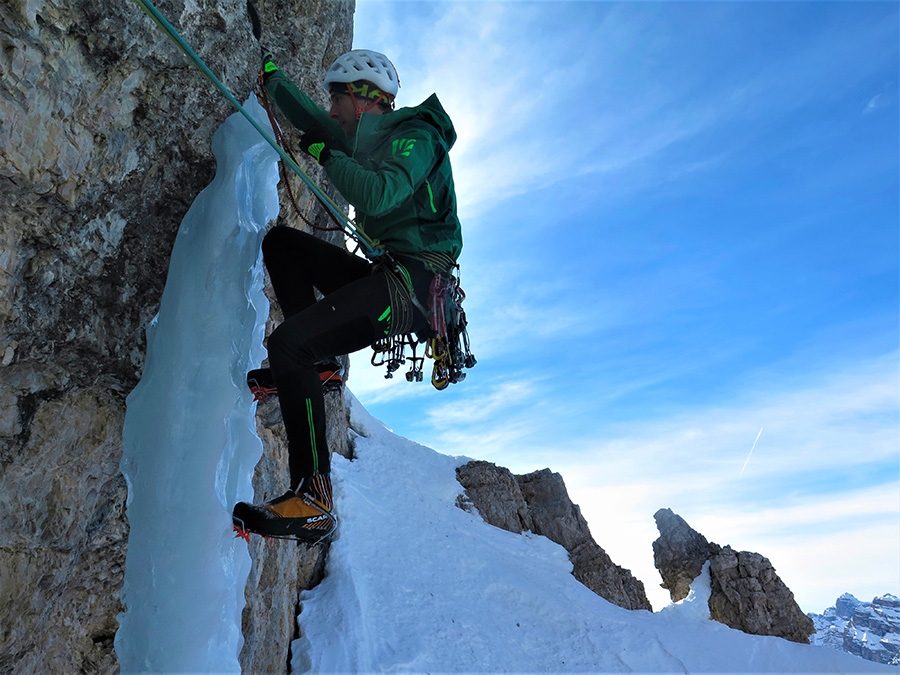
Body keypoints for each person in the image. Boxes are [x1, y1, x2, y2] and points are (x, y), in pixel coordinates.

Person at [232, 49, 462, 542]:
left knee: (290, 343)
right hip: (390, 277)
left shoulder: (415, 138)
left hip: (415, 288)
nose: (331, 109)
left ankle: (313, 499)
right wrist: (272, 79)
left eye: (337, 98)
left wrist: (326, 154)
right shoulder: (364, 139)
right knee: (283, 244)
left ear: (362, 99)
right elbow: (314, 121)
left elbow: (378, 194)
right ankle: (320, 368)